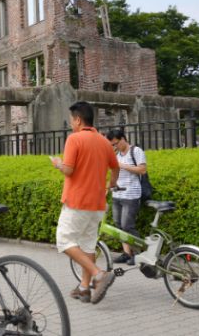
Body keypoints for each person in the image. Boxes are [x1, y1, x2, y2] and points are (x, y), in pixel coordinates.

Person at [49, 101, 119, 305]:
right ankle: (84, 288)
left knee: (63, 240)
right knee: (88, 245)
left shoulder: (75, 139)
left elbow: (69, 170)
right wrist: (111, 185)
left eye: (72, 120)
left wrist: (57, 164)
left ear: (78, 120)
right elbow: (115, 168)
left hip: (77, 201)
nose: (71, 124)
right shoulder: (105, 142)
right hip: (97, 203)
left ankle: (99, 275)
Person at [106, 129, 147, 265]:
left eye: (116, 143)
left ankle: (140, 255)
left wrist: (122, 165)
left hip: (131, 194)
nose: (115, 147)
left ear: (123, 139)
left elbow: (142, 169)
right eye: (113, 145)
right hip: (117, 194)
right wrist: (107, 188)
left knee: (127, 225)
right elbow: (114, 175)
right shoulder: (116, 155)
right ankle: (127, 254)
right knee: (118, 226)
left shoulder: (136, 151)